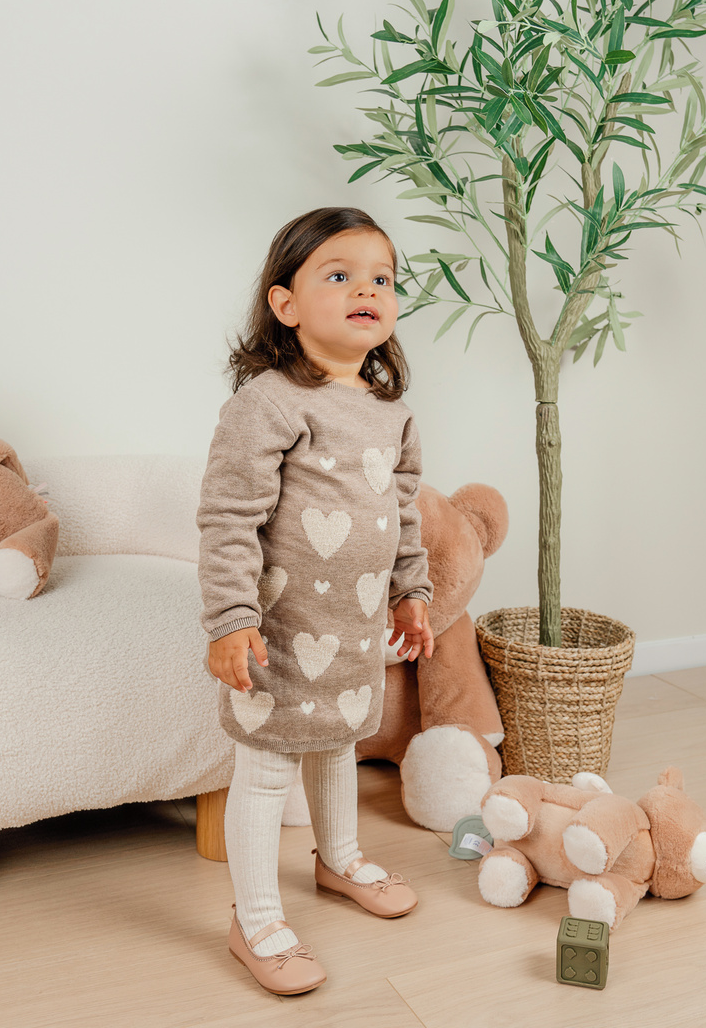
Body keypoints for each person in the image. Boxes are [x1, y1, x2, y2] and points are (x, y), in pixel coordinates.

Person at [197, 207, 434, 995]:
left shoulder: (389, 410)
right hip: (279, 631)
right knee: (267, 767)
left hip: (355, 626)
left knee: (339, 742)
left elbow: (403, 510)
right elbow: (230, 518)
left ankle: (338, 861)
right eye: (339, 274)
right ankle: (256, 916)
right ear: (285, 304)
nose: (366, 288)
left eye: (382, 278)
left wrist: (412, 593)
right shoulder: (267, 404)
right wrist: (232, 620)